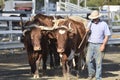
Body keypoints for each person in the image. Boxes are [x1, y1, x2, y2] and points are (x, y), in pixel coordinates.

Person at [86, 10, 111, 80]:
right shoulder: (90, 23)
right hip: (91, 44)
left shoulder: (104, 24)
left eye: (95, 18)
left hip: (99, 44)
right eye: (93, 19)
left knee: (98, 62)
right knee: (88, 60)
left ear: (98, 17)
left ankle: (98, 77)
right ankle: (91, 73)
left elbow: (107, 35)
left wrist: (103, 45)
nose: (94, 20)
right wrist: (87, 31)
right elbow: (87, 33)